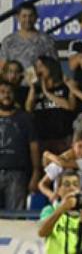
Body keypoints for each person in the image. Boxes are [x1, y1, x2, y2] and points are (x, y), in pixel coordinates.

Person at [0, 80, 41, 210]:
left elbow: (34, 147)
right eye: (2, 92)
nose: (6, 95)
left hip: (17, 174)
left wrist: (36, 172)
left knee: (15, 217)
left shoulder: (24, 118)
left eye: (9, 92)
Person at [0, 3, 58, 71]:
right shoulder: (8, 41)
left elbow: (54, 68)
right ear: (18, 17)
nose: (28, 20)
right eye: (24, 16)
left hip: (39, 80)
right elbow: (2, 68)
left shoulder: (47, 40)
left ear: (36, 17)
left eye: (31, 16)